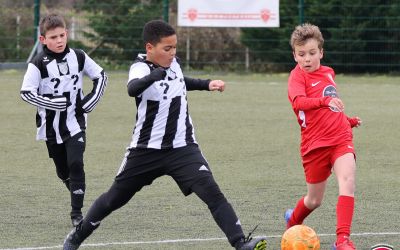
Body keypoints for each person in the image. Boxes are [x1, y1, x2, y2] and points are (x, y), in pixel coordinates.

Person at [63, 20, 266, 250]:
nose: (173, 53)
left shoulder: (174, 64)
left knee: (212, 193)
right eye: (167, 49)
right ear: (150, 48)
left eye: (175, 48)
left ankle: (241, 243)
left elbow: (180, 82)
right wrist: (154, 75)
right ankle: (77, 237)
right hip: (145, 150)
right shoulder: (140, 68)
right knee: (113, 199)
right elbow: (133, 89)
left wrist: (207, 84)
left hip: (183, 147)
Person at [20, 14, 108, 227]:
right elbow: (26, 93)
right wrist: (52, 102)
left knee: (76, 162)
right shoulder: (37, 64)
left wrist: (90, 101)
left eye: (61, 35)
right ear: (43, 40)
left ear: (67, 34)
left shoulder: (79, 56)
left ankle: (76, 214)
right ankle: (76, 192)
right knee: (63, 170)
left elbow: (101, 76)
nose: (58, 41)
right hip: (51, 128)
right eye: (53, 37)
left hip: (76, 122)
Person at [285, 23, 362, 250]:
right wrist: (325, 102)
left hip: (340, 139)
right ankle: (293, 220)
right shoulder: (296, 78)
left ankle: (342, 240)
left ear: (321, 52)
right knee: (314, 200)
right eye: (301, 54)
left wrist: (347, 120)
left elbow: (331, 107)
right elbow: (299, 102)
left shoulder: (328, 72)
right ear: (294, 56)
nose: (307, 59)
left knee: (347, 182)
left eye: (311, 53)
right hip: (314, 145)